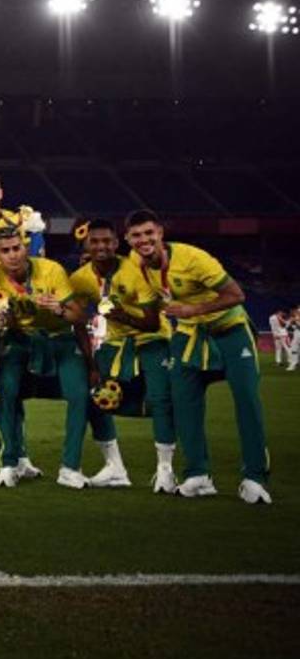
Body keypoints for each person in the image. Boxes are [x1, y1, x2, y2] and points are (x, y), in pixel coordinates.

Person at [125, 209, 271, 504]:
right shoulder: (133, 262)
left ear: (160, 233)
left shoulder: (193, 259)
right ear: (128, 239)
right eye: (136, 235)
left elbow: (236, 294)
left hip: (229, 328)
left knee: (247, 400)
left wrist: (193, 310)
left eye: (149, 233)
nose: (144, 240)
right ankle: (198, 475)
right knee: (183, 401)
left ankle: (254, 478)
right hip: (190, 334)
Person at [0, 227, 94, 489]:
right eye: (5, 251)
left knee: (79, 395)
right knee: (5, 392)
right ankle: (10, 463)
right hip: (19, 340)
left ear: (25, 247)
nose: (12, 255)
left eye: (17, 248)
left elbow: (80, 316)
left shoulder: (51, 270)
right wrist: (2, 322)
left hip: (58, 338)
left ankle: (70, 467)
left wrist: (58, 309)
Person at [70, 219, 171, 490]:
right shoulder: (80, 278)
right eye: (95, 241)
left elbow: (152, 322)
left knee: (161, 400)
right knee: (95, 398)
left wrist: (121, 316)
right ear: (86, 245)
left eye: (106, 241)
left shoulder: (136, 269)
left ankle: (166, 470)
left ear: (117, 244)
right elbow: (78, 322)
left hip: (153, 339)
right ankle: (115, 468)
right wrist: (91, 363)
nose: (101, 246)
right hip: (116, 344)